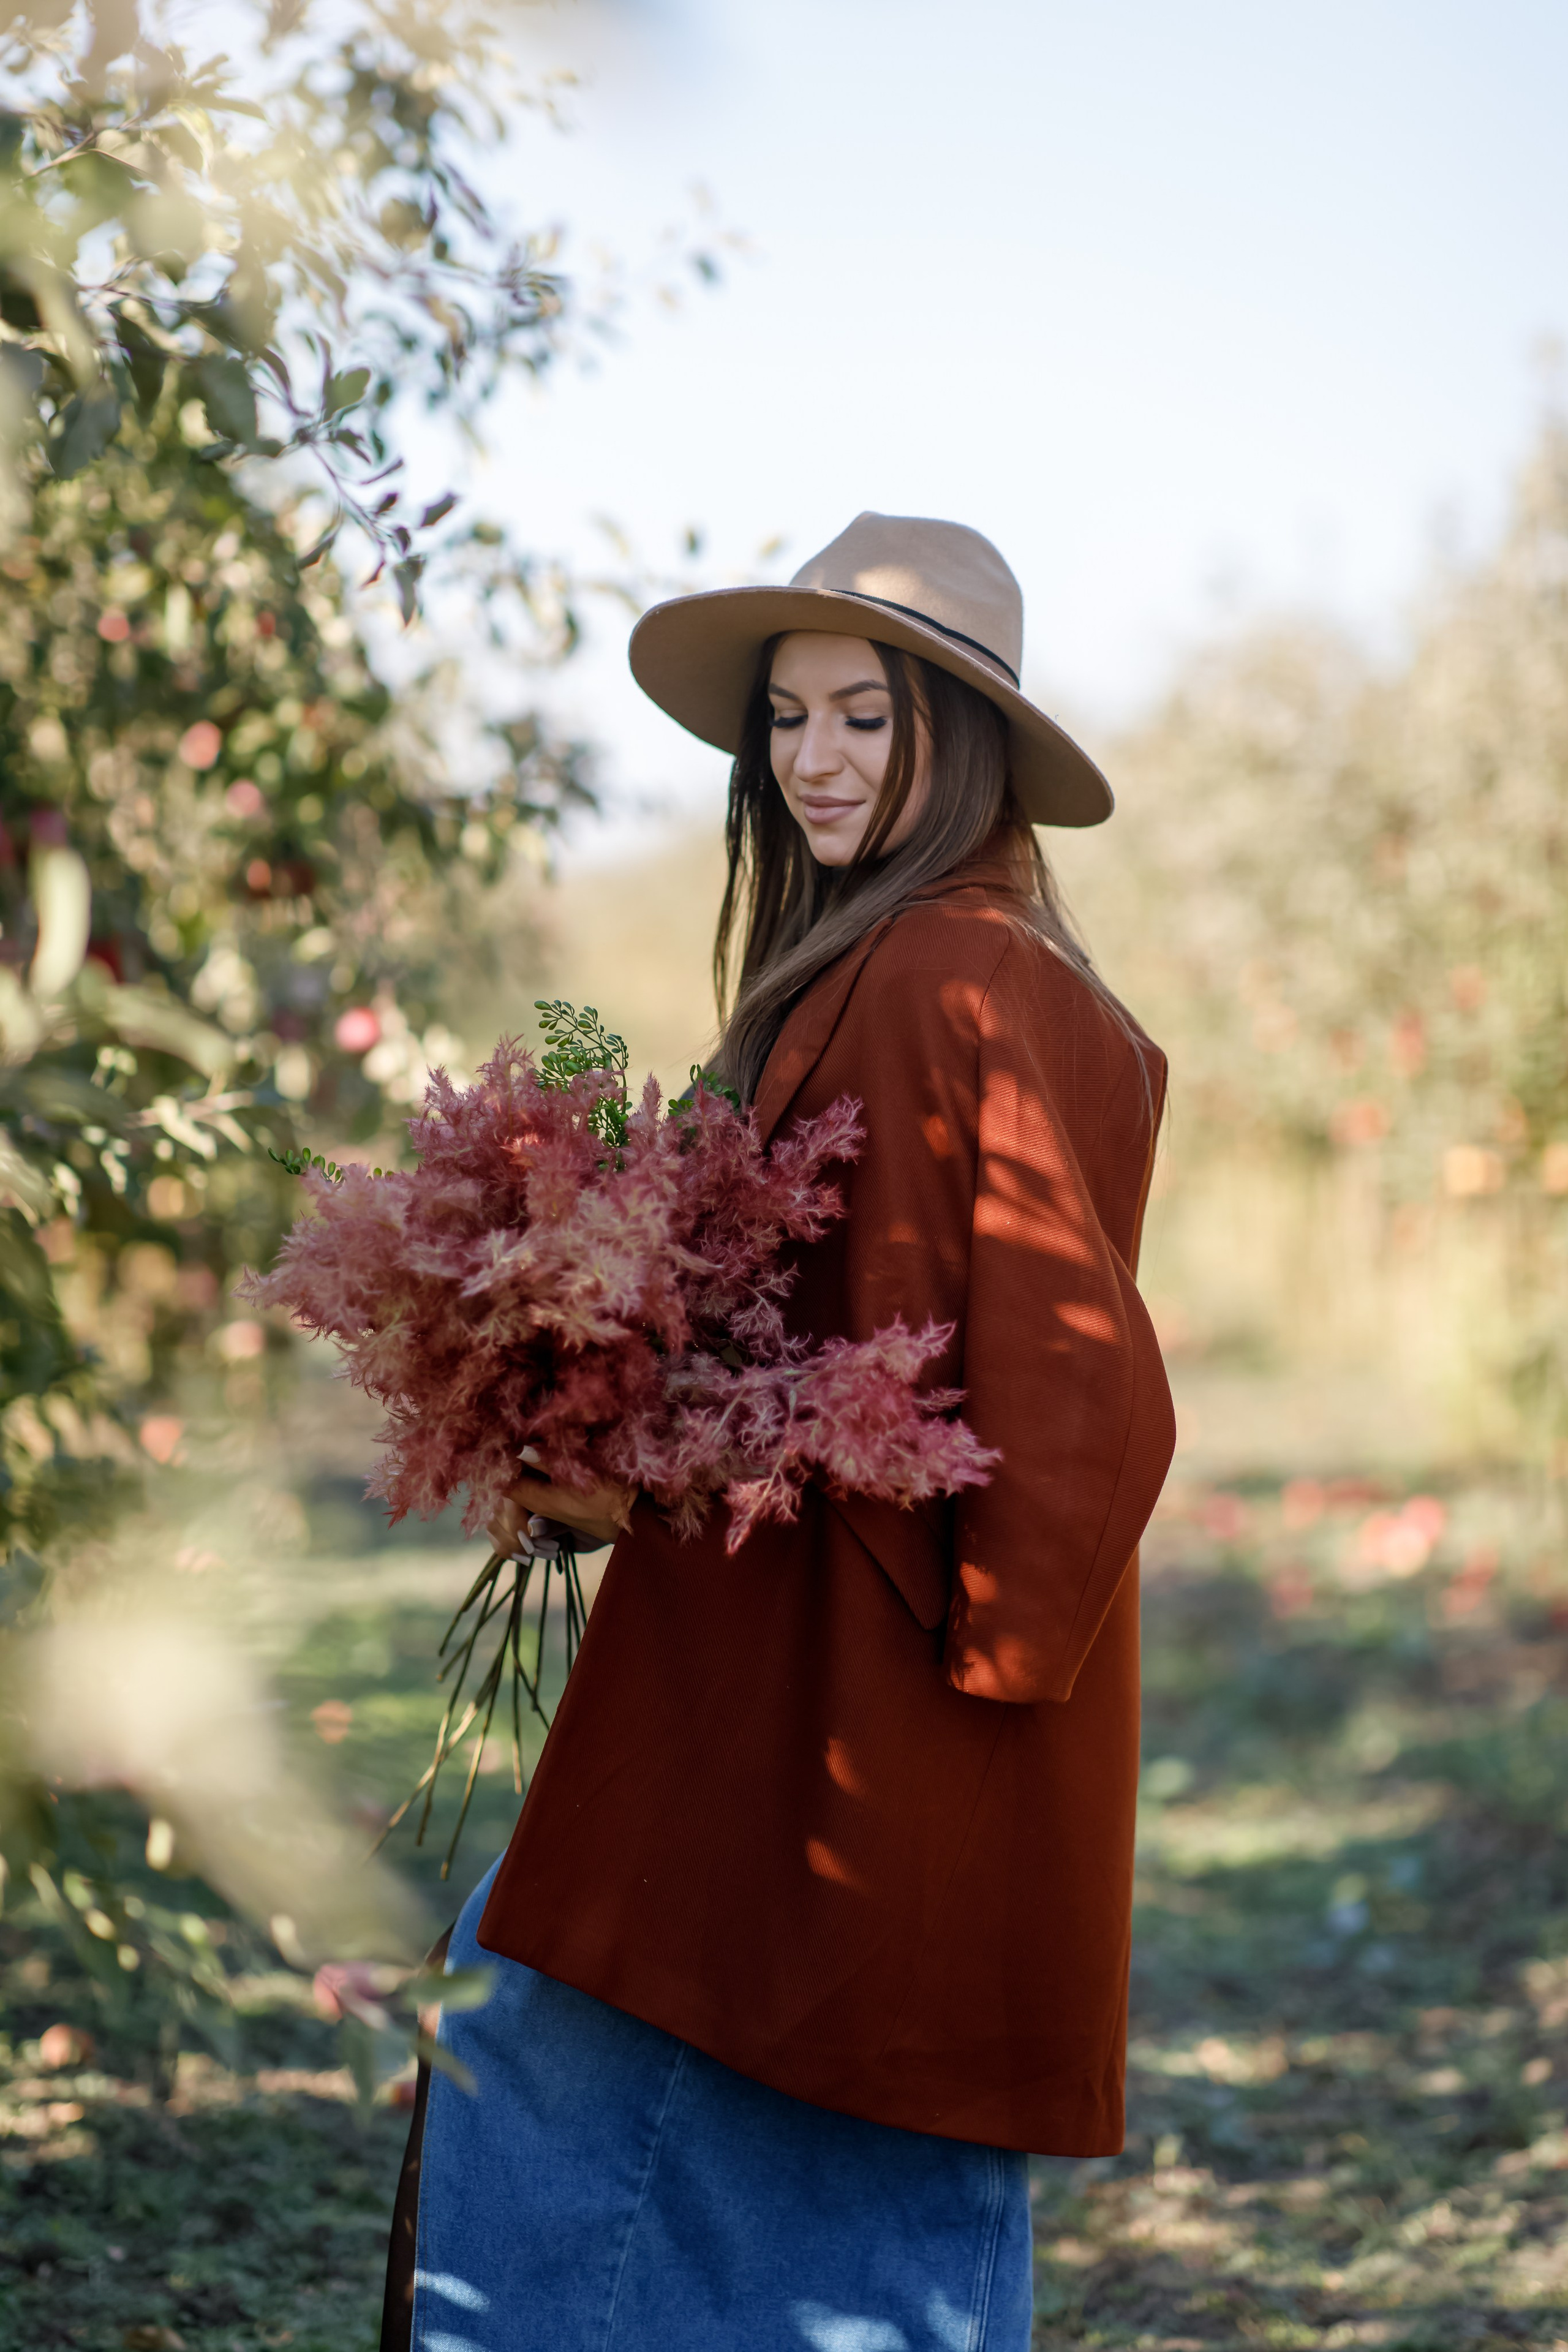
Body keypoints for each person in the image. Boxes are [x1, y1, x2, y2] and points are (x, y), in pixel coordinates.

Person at [391, 513, 1176, 2352]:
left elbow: (1072, 1389)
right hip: (827, 1651)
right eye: (789, 723)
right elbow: (822, 1329)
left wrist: (966, 1675)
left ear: (957, 738)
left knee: (607, 2044)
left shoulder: (945, 980)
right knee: (674, 2058)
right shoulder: (932, 967)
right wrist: (598, 1423)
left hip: (869, 1675)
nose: (814, 763)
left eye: (865, 720)